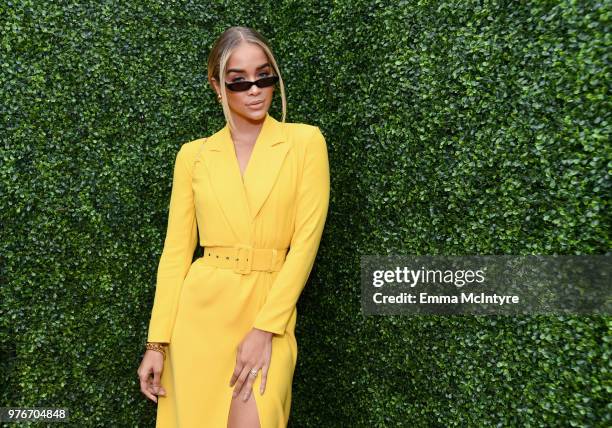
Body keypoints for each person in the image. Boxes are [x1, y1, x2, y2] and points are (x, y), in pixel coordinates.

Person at [136, 26, 330, 428]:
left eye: (265, 77)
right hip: (199, 316)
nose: (255, 90)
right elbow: (175, 254)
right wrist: (157, 344)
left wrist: (265, 329)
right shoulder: (194, 156)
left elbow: (306, 243)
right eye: (240, 82)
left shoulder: (305, 142)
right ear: (217, 87)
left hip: (268, 307)